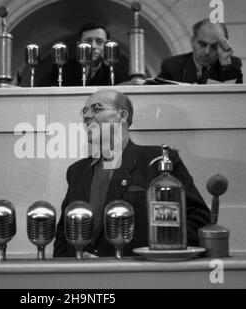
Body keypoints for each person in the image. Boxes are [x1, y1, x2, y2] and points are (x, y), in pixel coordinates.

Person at [53, 89, 211, 257]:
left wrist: (163, 251)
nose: (86, 116)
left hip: (139, 273)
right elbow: (63, 233)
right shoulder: (77, 171)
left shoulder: (157, 161)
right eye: (84, 111)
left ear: (122, 115)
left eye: (96, 108)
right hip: (82, 276)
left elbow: (198, 217)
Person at [158, 19, 243, 84]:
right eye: (202, 44)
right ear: (192, 41)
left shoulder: (232, 64)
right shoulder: (172, 66)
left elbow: (238, 100)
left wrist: (225, 62)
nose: (207, 52)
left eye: (214, 47)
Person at [45, 22, 127, 86]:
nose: (93, 46)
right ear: (78, 45)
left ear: (107, 45)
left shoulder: (116, 70)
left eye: (99, 41)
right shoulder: (63, 68)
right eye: (88, 41)